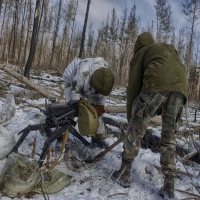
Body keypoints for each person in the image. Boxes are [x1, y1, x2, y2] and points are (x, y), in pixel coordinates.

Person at [111, 32, 188, 199]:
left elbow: (133, 88)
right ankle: (169, 185)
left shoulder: (141, 53)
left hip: (156, 85)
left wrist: (133, 120)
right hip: (181, 88)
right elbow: (170, 75)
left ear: (137, 46)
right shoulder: (164, 48)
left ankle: (124, 173)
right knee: (169, 136)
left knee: (136, 129)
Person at [60, 57, 114, 149]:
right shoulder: (83, 72)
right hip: (72, 80)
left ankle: (97, 138)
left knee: (99, 111)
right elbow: (74, 91)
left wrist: (97, 111)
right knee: (70, 110)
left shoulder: (107, 78)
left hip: (93, 87)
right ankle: (61, 136)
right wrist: (77, 104)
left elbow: (100, 104)